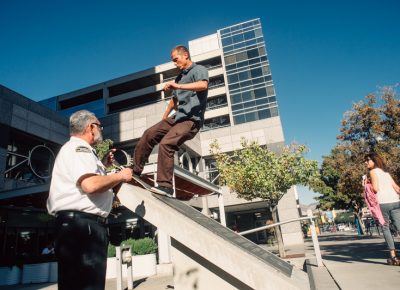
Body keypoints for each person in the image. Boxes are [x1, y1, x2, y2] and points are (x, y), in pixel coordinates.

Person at [47, 110, 133, 290]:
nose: (101, 129)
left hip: (77, 225)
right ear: (91, 127)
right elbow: (91, 185)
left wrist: (103, 166)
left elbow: (90, 183)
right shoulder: (80, 149)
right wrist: (120, 175)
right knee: (88, 285)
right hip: (83, 226)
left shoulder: (78, 150)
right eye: (99, 126)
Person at [131, 45, 209, 196]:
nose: (175, 63)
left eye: (176, 59)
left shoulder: (198, 69)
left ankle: (165, 186)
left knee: (167, 143)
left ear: (185, 55)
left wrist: (177, 85)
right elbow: (174, 99)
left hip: (191, 120)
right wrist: (164, 117)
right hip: (177, 118)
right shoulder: (180, 77)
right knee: (150, 133)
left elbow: (203, 85)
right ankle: (136, 169)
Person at [364, 152, 400, 266]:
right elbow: (397, 188)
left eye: (367, 160)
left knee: (386, 228)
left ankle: (394, 257)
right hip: (395, 201)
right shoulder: (386, 173)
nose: (366, 162)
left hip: (383, 203)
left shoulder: (373, 172)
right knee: (399, 226)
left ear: (374, 161)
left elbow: (375, 189)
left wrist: (366, 183)